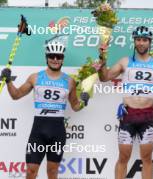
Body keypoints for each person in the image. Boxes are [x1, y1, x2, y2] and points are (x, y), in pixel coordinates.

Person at [0, 40, 89, 179]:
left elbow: (75, 106)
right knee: (31, 171)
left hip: (57, 132)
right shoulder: (35, 77)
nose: (55, 59)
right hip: (38, 131)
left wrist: (84, 101)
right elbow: (16, 95)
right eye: (52, 55)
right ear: (46, 57)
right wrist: (8, 81)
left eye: (58, 56)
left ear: (62, 59)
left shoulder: (69, 81)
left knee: (52, 171)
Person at [98, 26, 153, 179]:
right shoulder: (125, 61)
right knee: (123, 157)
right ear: (135, 42)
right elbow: (104, 77)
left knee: (146, 158)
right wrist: (102, 59)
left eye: (144, 40)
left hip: (147, 116)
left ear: (149, 42)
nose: (141, 43)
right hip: (128, 115)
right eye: (138, 39)